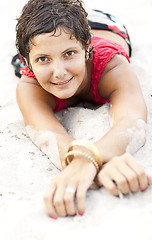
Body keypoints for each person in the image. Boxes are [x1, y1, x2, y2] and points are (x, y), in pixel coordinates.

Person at [14, 0, 151, 219]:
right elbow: (51, 135)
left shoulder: (112, 66)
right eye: (43, 59)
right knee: (47, 41)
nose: (59, 72)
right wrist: (97, 164)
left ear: (87, 49)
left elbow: (131, 121)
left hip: (106, 26)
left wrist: (86, 161)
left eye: (69, 54)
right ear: (28, 63)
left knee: (59, 37)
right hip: (54, 34)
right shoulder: (29, 86)